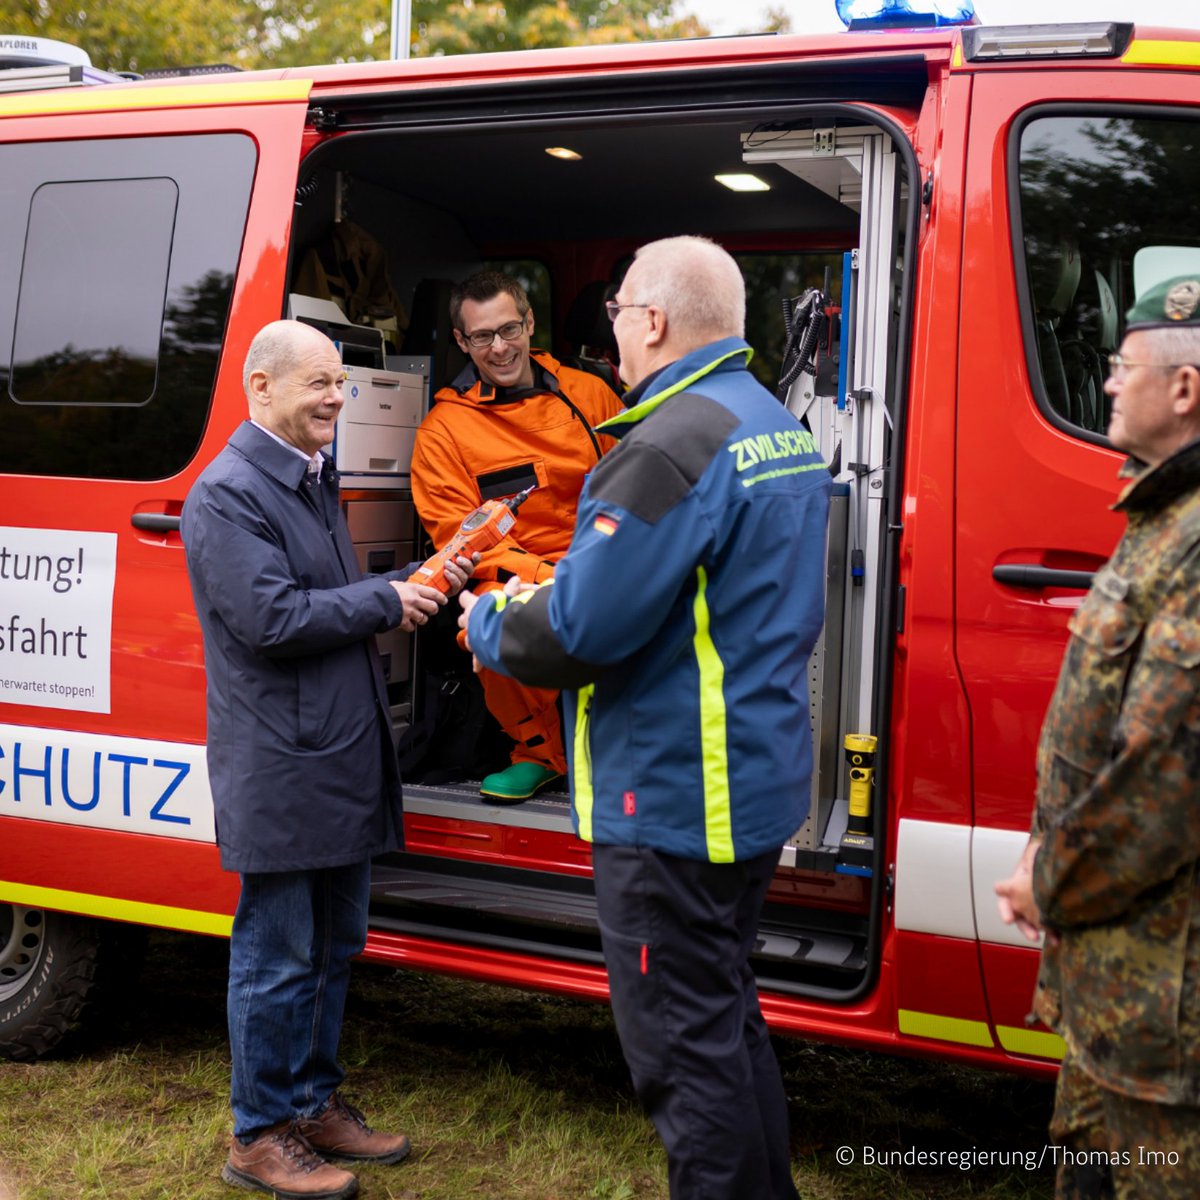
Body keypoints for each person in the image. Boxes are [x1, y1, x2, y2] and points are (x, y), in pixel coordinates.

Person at [459, 237, 830, 1199]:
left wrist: (491, 619)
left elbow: (578, 632)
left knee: (684, 1054)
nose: (611, 328)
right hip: (743, 782)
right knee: (724, 1020)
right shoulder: (766, 421)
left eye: (619, 309)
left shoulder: (664, 443)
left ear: (654, 321)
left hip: (673, 798)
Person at [181, 320, 471, 1200]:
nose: (338, 399)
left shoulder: (308, 477)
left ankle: (310, 1104)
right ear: (259, 387)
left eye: (342, 383)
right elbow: (273, 620)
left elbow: (328, 601)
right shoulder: (227, 494)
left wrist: (415, 583)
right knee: (277, 954)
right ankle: (257, 1136)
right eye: (320, 383)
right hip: (283, 762)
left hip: (335, 754)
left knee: (333, 945)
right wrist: (386, 598)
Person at [995, 276, 1200, 1199]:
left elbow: (1166, 779)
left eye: (1123, 369)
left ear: (1186, 389)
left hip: (1166, 1008)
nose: (1108, 386)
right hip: (1119, 991)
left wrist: (1048, 877)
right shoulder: (1161, 518)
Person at [410, 270, 624, 802]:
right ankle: (540, 753)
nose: (499, 348)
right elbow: (459, 539)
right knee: (490, 613)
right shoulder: (444, 430)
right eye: (482, 336)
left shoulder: (590, 395)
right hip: (515, 572)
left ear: (529, 323)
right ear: (462, 342)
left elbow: (636, 485)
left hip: (606, 559)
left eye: (509, 329)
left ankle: (624, 745)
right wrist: (548, 580)